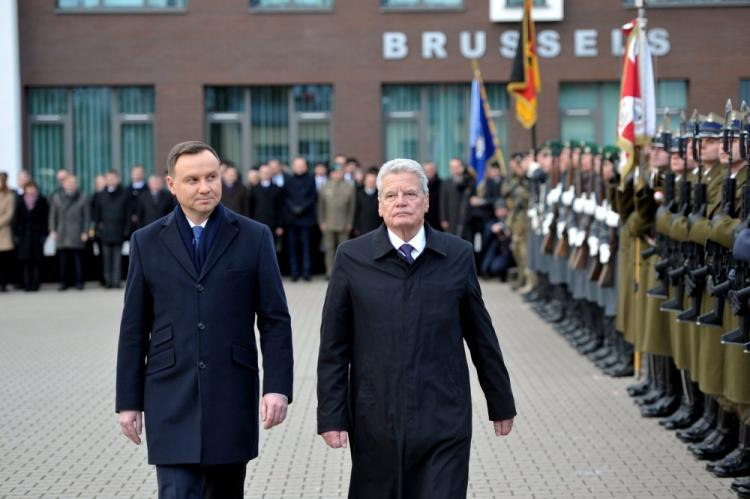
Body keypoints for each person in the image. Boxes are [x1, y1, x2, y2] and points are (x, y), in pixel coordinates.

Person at [317, 158, 516, 499]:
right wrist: (331, 415)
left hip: (444, 413)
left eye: (410, 193)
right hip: (376, 417)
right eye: (391, 195)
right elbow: (334, 346)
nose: (401, 201)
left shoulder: (457, 255)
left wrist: (500, 400)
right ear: (379, 205)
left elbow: (481, 336)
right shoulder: (352, 258)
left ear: (426, 201)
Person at [116, 141, 293, 499]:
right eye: (193, 179)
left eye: (211, 177)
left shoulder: (253, 237)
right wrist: (128, 401)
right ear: (171, 184)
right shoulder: (146, 242)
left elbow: (274, 319)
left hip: (231, 393)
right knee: (177, 492)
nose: (204, 187)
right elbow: (134, 328)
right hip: (170, 394)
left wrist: (277, 387)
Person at [49, 174, 90, 290]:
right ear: (63, 184)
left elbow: (86, 216)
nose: (71, 185)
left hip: (77, 232)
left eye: (73, 182)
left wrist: (85, 231)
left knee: (78, 260)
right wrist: (52, 229)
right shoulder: (56, 197)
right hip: (62, 232)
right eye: (68, 182)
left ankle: (79, 282)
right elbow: (53, 215)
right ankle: (63, 283)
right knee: (62, 261)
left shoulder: (82, 197)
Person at [317, 163, 356, 278]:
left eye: (339, 172)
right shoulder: (325, 186)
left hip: (343, 223)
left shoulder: (349, 186)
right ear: (331, 174)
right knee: (329, 249)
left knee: (344, 249)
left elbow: (352, 207)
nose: (337, 174)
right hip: (328, 223)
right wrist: (321, 221)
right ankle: (330, 272)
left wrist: (350, 222)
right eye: (335, 172)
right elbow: (320, 207)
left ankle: (343, 272)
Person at [93, 170, 130, 288]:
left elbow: (128, 214)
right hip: (105, 231)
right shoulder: (100, 195)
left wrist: (126, 229)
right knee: (106, 258)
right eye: (108, 178)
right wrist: (97, 229)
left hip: (119, 230)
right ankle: (108, 281)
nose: (111, 180)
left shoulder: (124, 194)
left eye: (113, 178)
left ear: (118, 179)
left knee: (117, 259)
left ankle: (116, 281)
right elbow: (96, 215)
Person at [284, 156, 317, 281]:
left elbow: (313, 197)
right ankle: (294, 273)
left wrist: (302, 208)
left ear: (306, 166)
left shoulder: (311, 179)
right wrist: (293, 208)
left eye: (302, 165)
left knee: (306, 247)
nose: (299, 167)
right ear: (293, 166)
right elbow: (285, 197)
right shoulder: (288, 180)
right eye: (297, 165)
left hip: (306, 218)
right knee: (292, 248)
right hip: (292, 219)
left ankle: (306, 272)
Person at [12, 180, 48, 291]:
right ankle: (27, 284)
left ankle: (36, 283)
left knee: (36, 261)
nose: (31, 190)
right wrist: (16, 234)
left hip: (37, 235)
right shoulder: (20, 200)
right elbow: (16, 218)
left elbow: (45, 219)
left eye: (33, 188)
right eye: (29, 188)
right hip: (24, 236)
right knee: (26, 262)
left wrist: (44, 234)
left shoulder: (41, 200)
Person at [440, 158, 475, 241]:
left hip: (467, 220)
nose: (454, 169)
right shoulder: (446, 183)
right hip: (451, 219)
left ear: (462, 168)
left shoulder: (470, 182)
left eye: (456, 167)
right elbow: (442, 202)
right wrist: (443, 218)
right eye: (452, 167)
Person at [247, 164, 284, 240]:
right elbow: (250, 208)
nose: (265, 174)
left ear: (271, 173)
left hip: (272, 224)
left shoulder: (277, 189)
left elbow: (280, 208)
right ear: (259, 174)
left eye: (267, 172)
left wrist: (280, 226)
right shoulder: (254, 189)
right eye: (263, 172)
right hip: (257, 223)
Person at [480, 199, 513, 280]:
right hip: (499, 255)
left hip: (509, 254)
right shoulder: (493, 222)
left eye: (502, 209)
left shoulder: (512, 222)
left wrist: (508, 232)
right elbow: (486, 235)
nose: (501, 212)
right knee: (496, 267)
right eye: (498, 209)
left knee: (498, 266)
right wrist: (493, 230)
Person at [353, 168, 381, 236]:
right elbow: (355, 212)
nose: (371, 183)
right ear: (365, 181)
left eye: (373, 181)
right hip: (362, 228)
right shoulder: (358, 194)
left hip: (376, 228)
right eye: (369, 181)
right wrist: (356, 227)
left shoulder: (380, 195)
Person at [0, 172, 15, 292]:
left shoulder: (9, 196)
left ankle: (3, 284)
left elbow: (9, 214)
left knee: (4, 261)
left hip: (3, 232)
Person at [423, 161, 442, 230]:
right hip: (425, 217)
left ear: (435, 170)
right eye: (426, 170)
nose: (428, 172)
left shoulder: (441, 184)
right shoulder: (420, 185)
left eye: (430, 170)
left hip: (438, 218)